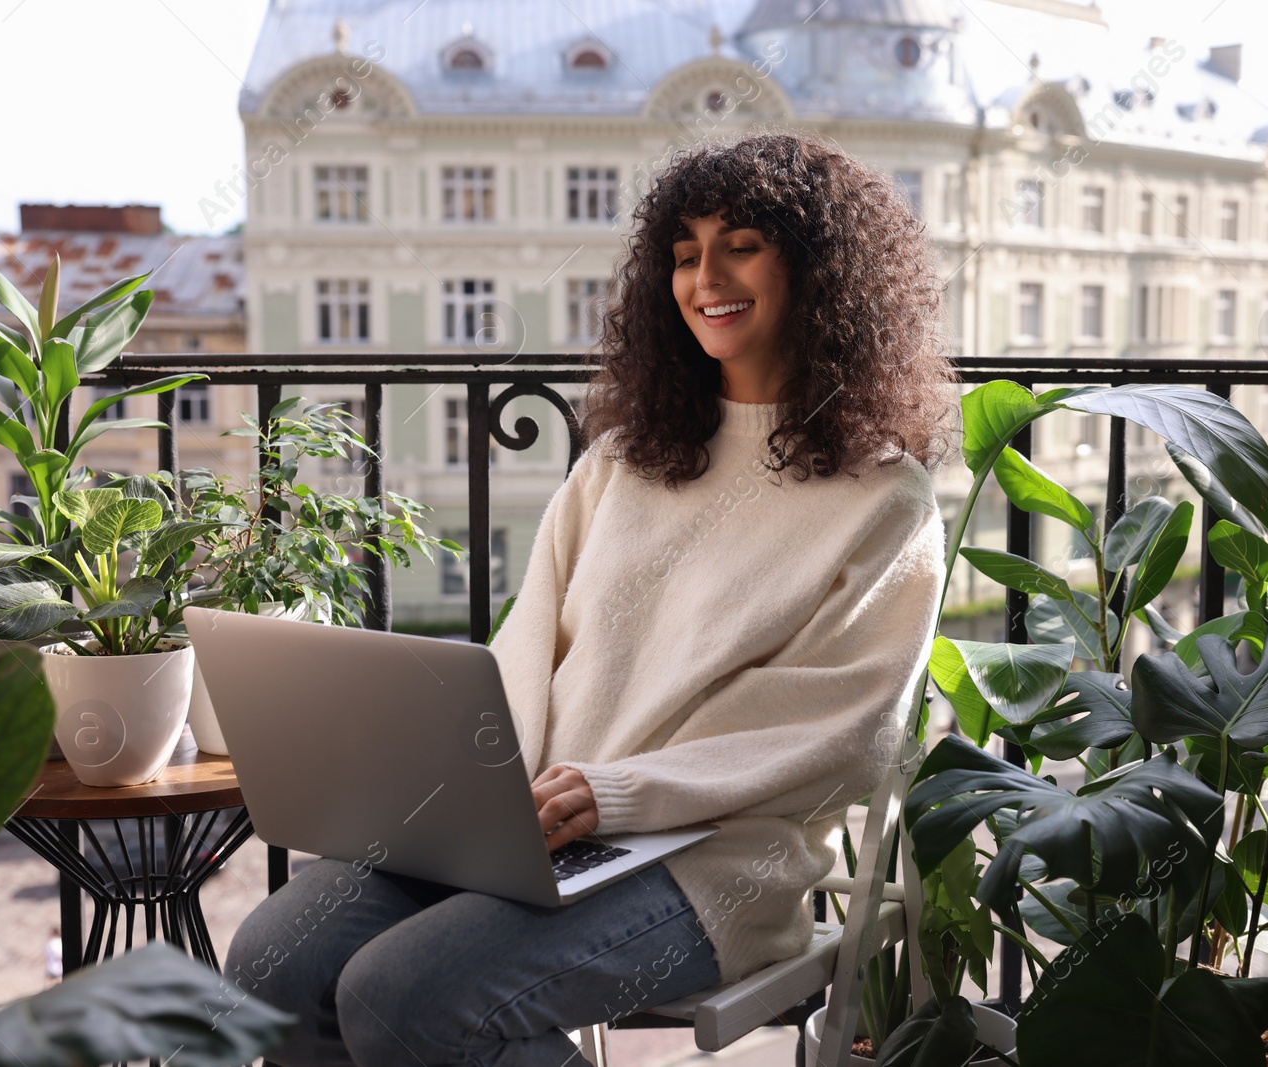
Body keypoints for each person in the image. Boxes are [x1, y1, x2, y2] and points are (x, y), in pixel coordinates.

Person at [224, 132, 953, 1067]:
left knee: (403, 995)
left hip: (711, 865)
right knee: (269, 961)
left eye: (741, 244)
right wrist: (478, 795)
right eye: (684, 253)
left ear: (819, 267)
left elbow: (849, 737)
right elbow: (526, 647)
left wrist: (616, 795)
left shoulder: (881, 500)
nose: (705, 277)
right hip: (528, 825)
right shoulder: (621, 461)